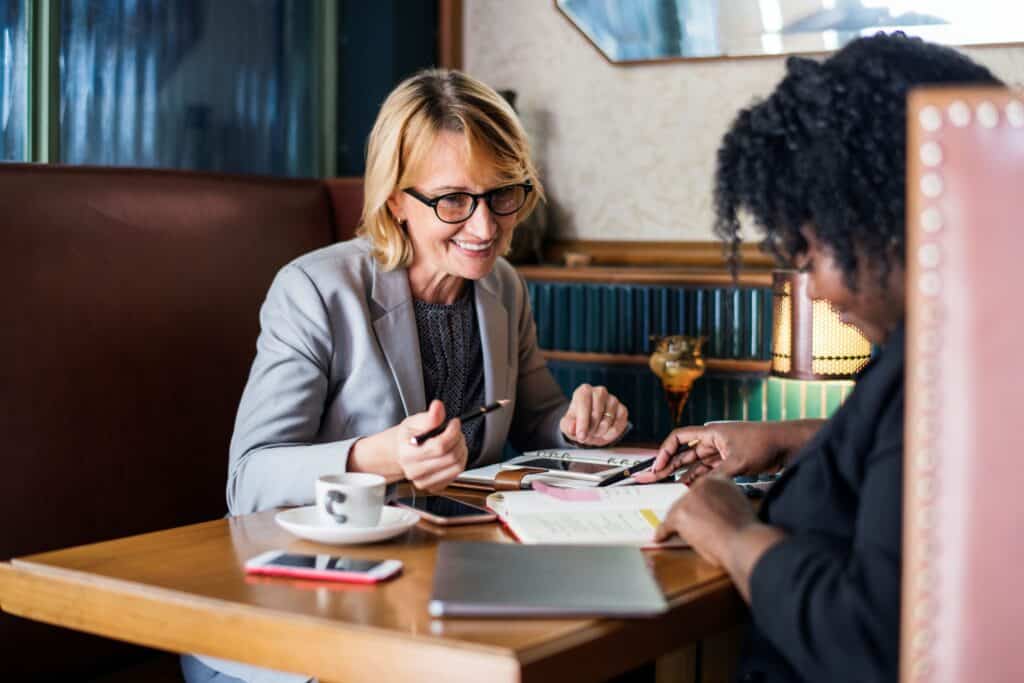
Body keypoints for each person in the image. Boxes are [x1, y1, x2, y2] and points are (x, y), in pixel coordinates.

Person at [183, 69, 631, 683]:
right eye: (452, 200)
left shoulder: (501, 285)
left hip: (439, 594)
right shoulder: (315, 290)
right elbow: (250, 481)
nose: (484, 227)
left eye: (504, 194)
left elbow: (536, 417)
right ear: (396, 198)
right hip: (298, 621)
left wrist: (579, 424)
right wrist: (378, 457)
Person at [635, 34, 1002, 682]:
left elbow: (870, 638)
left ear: (876, 217)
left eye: (809, 257)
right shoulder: (964, 349)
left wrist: (732, 533)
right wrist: (786, 437)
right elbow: (909, 462)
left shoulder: (937, 372)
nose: (822, 292)